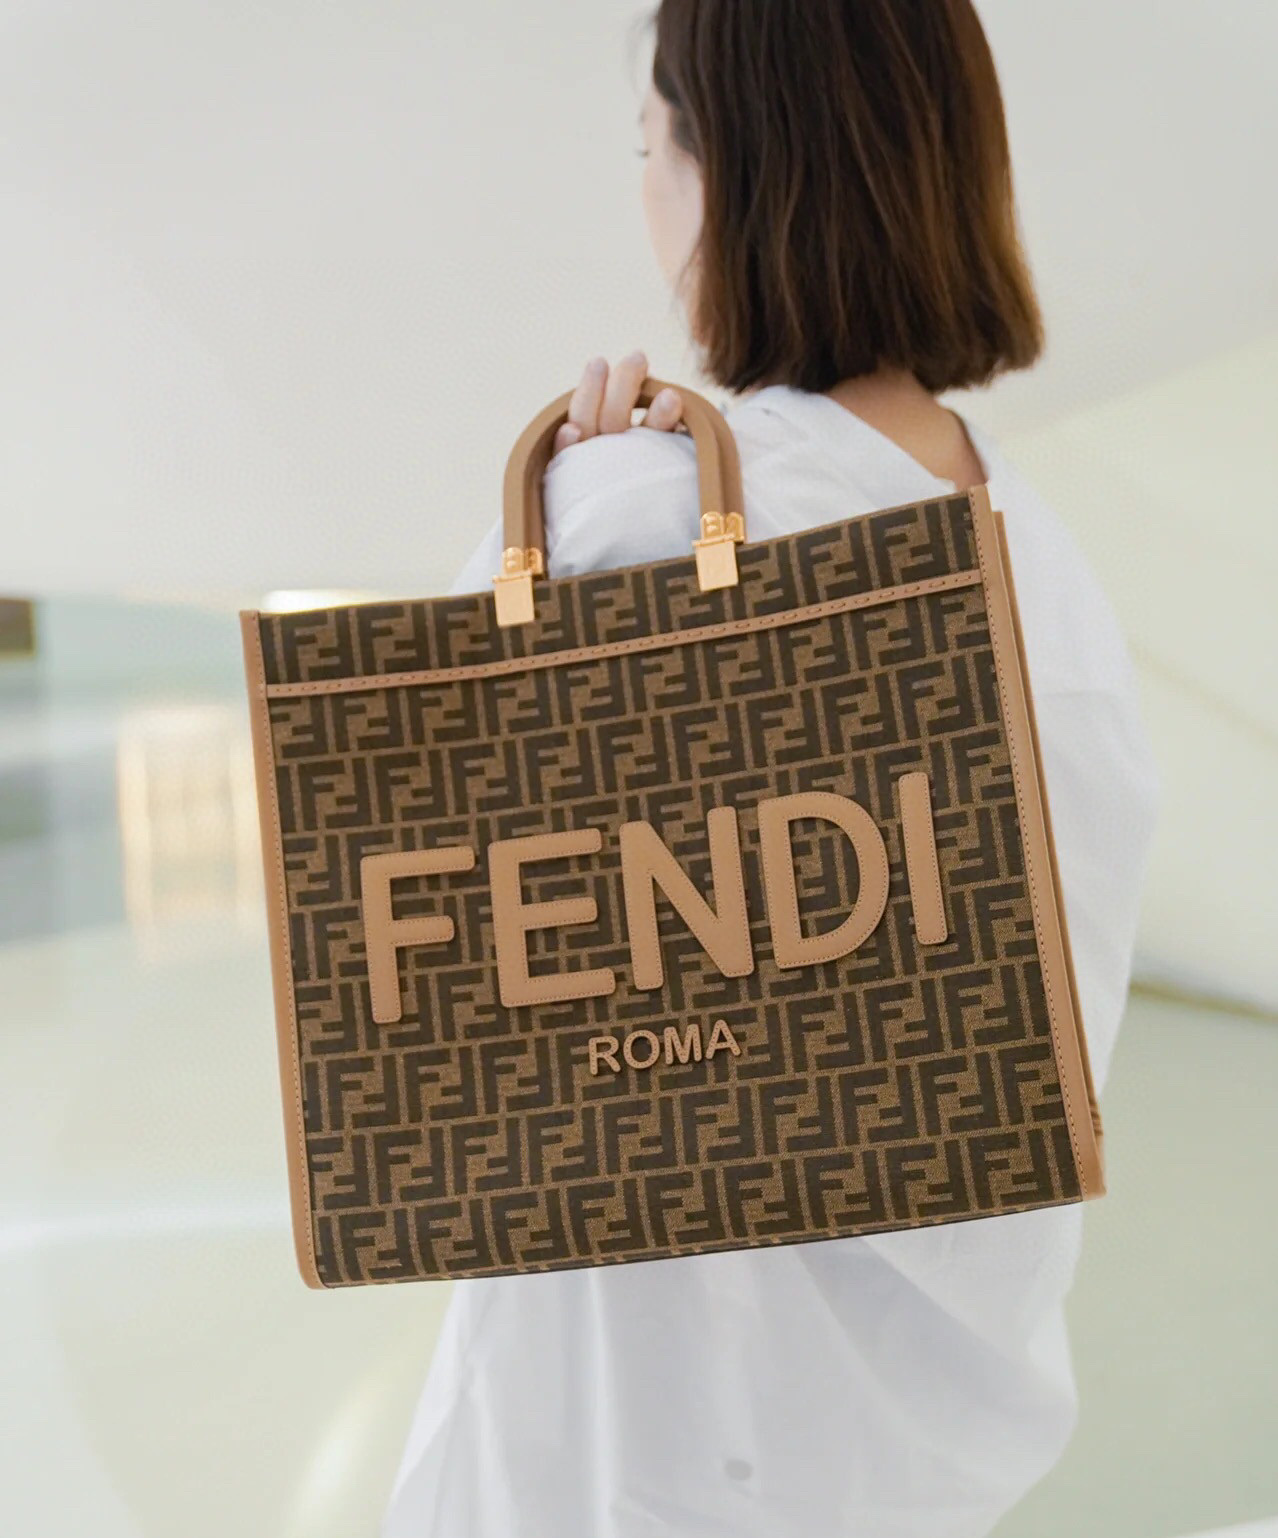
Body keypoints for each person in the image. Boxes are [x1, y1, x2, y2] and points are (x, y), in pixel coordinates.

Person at [381, 3, 1160, 1534]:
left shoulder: (634, 517)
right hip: (919, 1435)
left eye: (649, 147)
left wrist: (565, 507)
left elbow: (413, 876)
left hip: (639, 1432)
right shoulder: (1033, 555)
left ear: (724, 174)